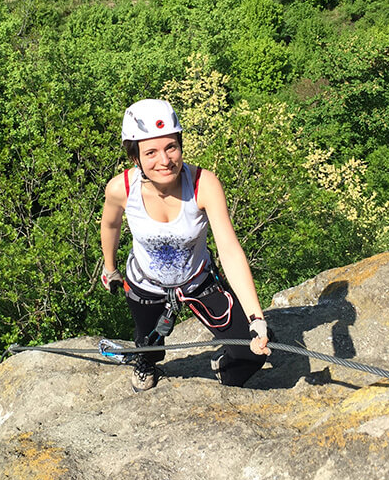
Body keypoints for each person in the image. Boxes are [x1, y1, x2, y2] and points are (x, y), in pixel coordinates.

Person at [100, 98, 271, 392]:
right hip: (145, 284)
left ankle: (224, 372)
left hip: (198, 281)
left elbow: (229, 248)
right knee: (149, 345)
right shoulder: (121, 189)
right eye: (150, 152)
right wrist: (110, 267)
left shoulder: (204, 184)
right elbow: (111, 225)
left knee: (249, 354)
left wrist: (256, 316)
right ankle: (146, 361)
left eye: (171, 147)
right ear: (135, 157)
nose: (165, 161)